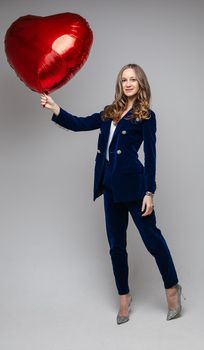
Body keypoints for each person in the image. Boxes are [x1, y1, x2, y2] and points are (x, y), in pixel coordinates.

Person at [40, 63, 184, 325]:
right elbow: (79, 124)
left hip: (136, 188)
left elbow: (150, 157)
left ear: (141, 83)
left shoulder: (146, 116)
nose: (128, 83)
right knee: (116, 246)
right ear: (120, 84)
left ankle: (172, 288)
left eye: (133, 79)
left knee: (152, 240)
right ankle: (123, 297)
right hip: (110, 188)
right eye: (124, 79)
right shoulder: (110, 112)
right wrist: (55, 108)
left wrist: (149, 191)